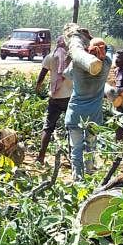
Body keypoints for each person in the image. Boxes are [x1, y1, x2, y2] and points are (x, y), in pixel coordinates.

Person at [65, 36, 110, 179]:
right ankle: (89, 170)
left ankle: (78, 177)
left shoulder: (77, 65)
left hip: (75, 112)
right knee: (91, 145)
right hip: (94, 115)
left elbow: (66, 74)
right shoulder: (107, 64)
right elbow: (104, 53)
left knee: (76, 148)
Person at [34, 35, 72, 165]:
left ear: (57, 44)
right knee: (72, 128)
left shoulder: (50, 57)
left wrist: (38, 87)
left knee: (48, 127)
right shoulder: (72, 58)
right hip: (69, 98)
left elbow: (42, 74)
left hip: (55, 97)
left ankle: (40, 157)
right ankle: (72, 158)